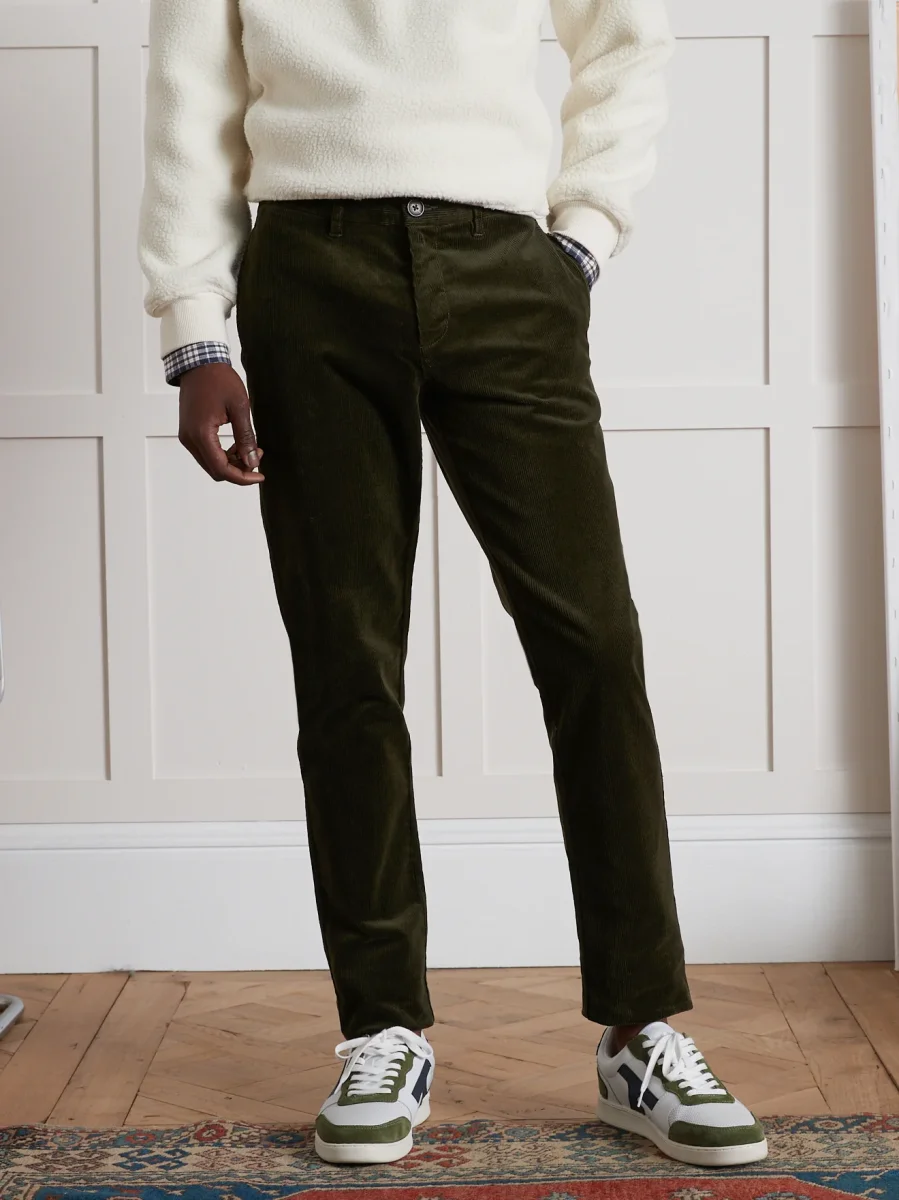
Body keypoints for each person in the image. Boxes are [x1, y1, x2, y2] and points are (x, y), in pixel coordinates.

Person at [137, 0, 767, 1171]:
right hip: (309, 271)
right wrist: (194, 332)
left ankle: (639, 1031)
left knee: (591, 644)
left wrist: (582, 232)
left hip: (504, 264)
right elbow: (190, 92)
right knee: (347, 658)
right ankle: (381, 1027)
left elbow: (626, 33)